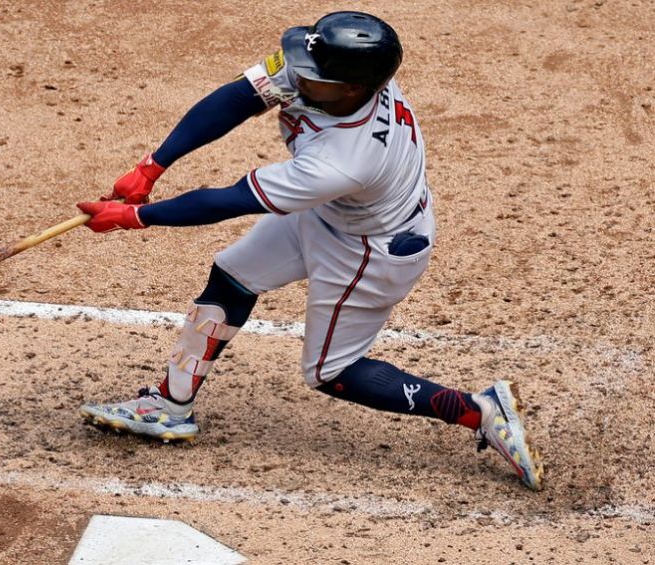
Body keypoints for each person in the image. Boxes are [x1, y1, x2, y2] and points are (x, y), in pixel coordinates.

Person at [75, 11, 544, 491]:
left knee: (332, 372)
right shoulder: (328, 65)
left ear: (350, 89)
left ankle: (481, 410)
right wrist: (151, 167)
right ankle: (170, 408)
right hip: (329, 213)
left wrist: (134, 218)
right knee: (234, 275)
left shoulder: (345, 160)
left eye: (312, 78)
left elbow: (229, 200)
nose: (295, 77)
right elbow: (239, 97)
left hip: (370, 251)